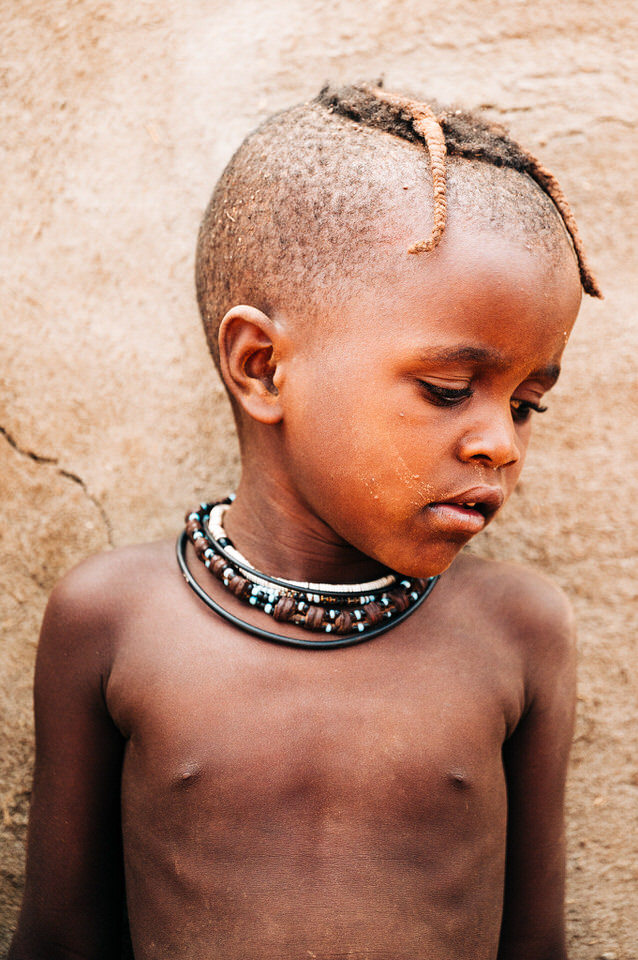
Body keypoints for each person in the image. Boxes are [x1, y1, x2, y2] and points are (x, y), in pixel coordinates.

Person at [9, 82, 601, 960]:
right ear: (263, 368)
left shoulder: (518, 634)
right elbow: (61, 938)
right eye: (448, 390)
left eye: (527, 406)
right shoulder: (111, 620)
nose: (497, 443)